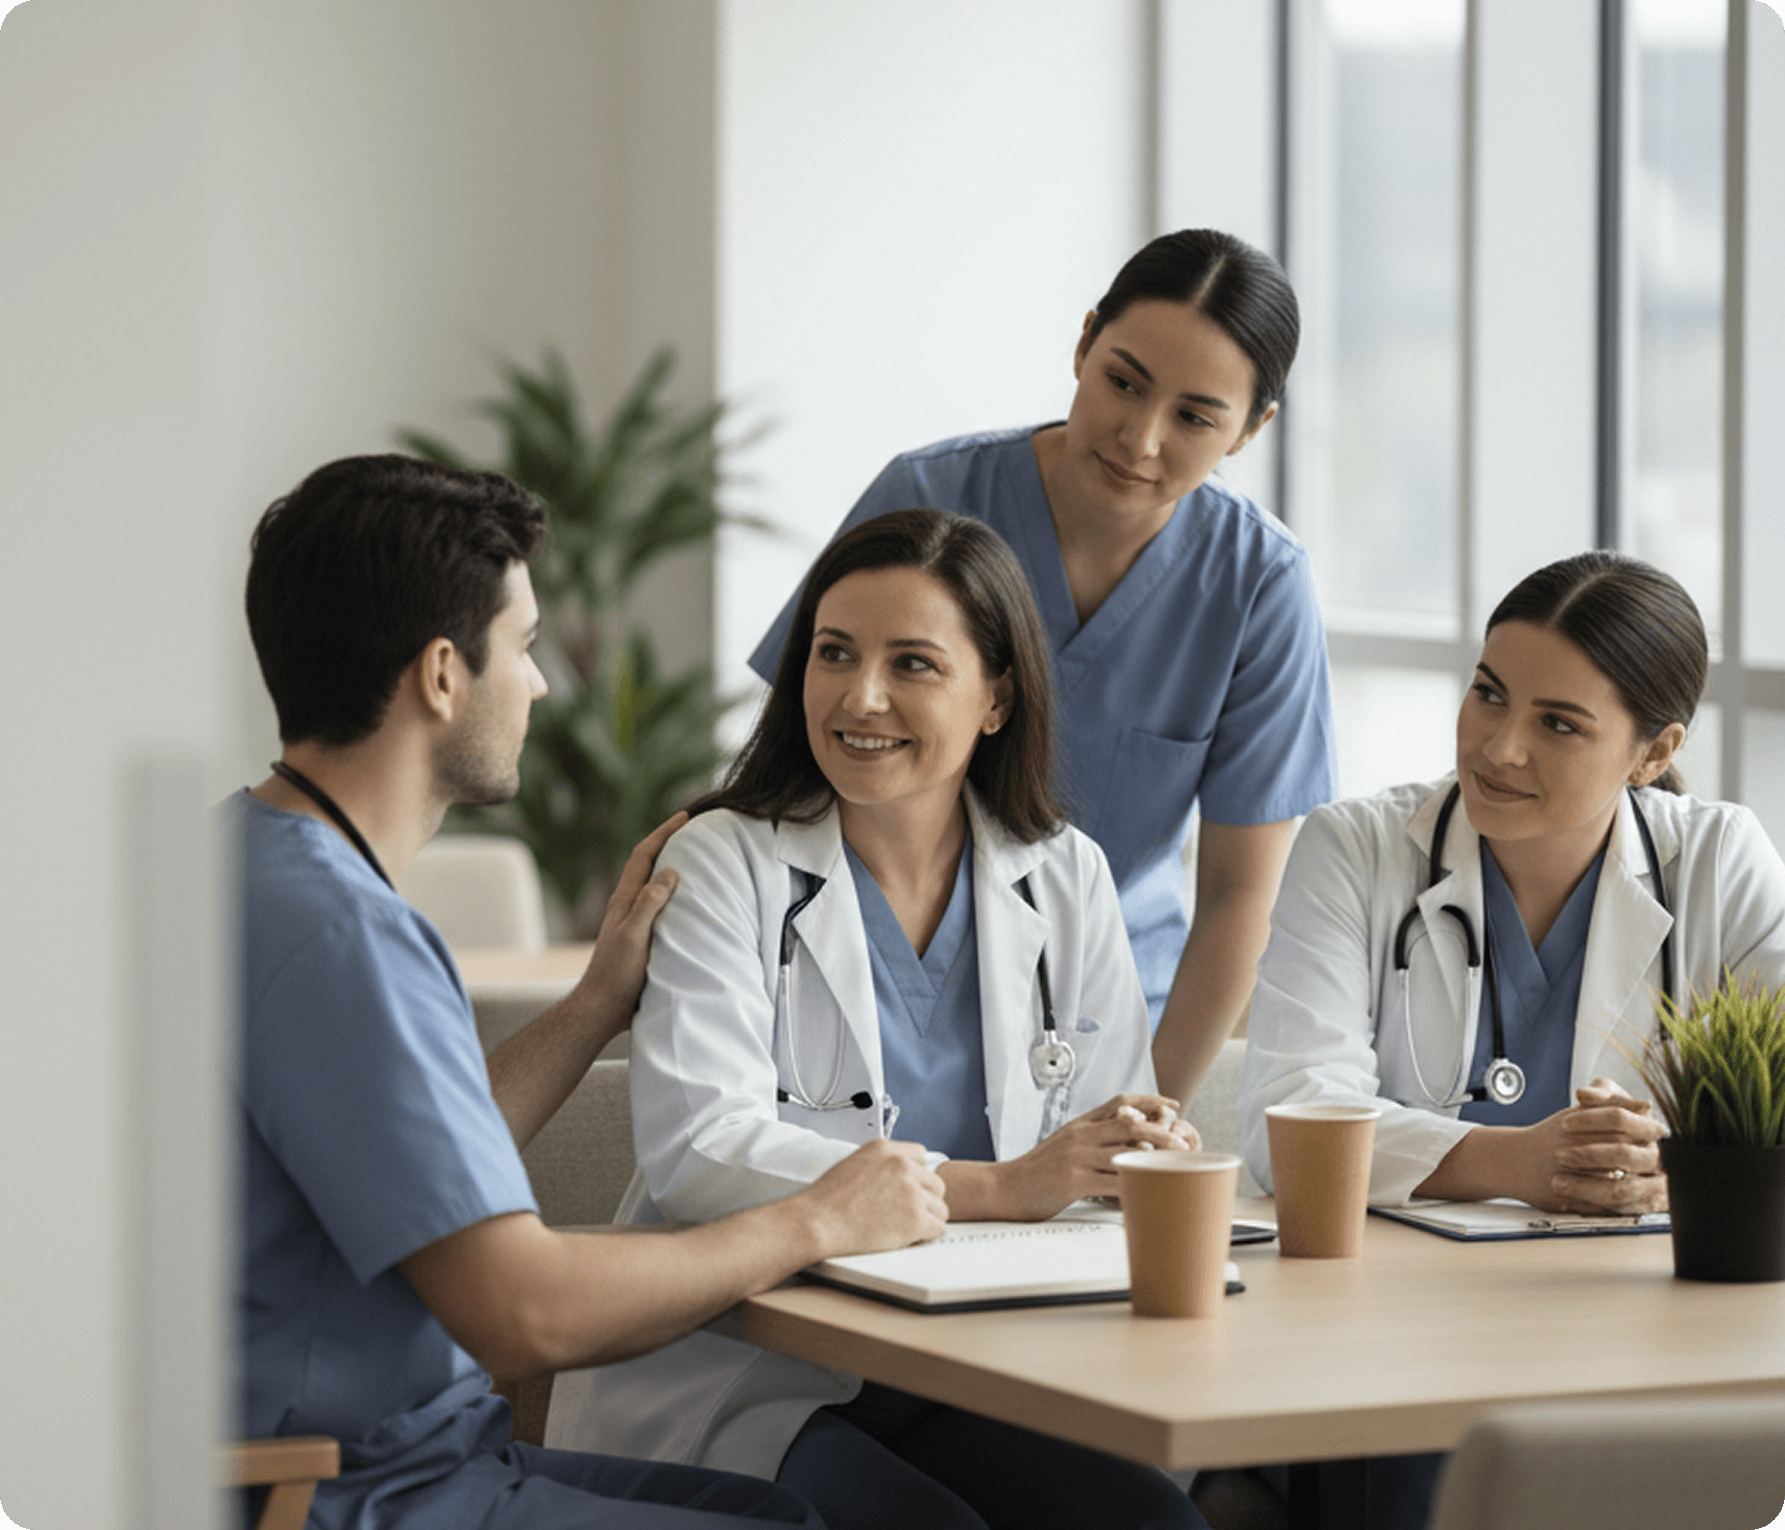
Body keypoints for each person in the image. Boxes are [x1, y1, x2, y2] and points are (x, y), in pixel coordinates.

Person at [236, 454, 950, 1530]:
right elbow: (523, 1314)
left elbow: (418, 1162)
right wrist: (815, 1218)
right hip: (354, 1493)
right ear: (442, 674)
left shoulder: (252, 866)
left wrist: (592, 1007)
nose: (539, 684)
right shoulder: (347, 937)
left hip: (398, 1460)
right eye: (522, 648)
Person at [548, 510, 1206, 1530]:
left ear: (995, 699)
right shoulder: (726, 860)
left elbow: (1097, 1147)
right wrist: (1002, 1187)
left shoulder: (1065, 873)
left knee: (1152, 1523)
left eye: (912, 664)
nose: (860, 697)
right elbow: (698, 1153)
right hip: (755, 1367)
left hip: (977, 1362)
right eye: (834, 654)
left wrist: (1134, 1151)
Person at [749, 229, 1336, 1106]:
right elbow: (798, 750)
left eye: (1194, 416)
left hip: (1097, 1011)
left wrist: (1145, 1112)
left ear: (1252, 429)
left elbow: (1237, 900)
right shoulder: (931, 497)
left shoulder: (1260, 586)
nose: (1139, 438)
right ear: (1084, 342)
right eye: (1123, 381)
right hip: (859, 976)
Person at [1239, 550, 1785, 1208]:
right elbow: (1290, 1124)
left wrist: (1667, 1167)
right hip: (1402, 1288)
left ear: (1654, 754)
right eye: (1488, 694)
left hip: (1632, 1287)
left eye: (1557, 724)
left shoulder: (1719, 862)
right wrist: (1515, 1163)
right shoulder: (1354, 848)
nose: (1499, 748)